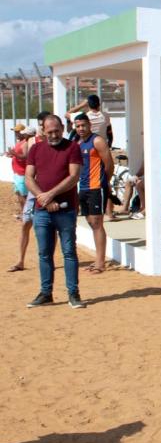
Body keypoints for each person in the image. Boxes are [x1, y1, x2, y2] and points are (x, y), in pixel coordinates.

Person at [24, 114, 85, 309]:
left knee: (69, 252)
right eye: (50, 131)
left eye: (57, 130)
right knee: (44, 253)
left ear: (62, 129)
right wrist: (43, 197)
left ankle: (73, 294)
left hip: (65, 210)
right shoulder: (35, 149)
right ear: (43, 131)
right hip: (42, 211)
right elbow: (29, 177)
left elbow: (74, 176)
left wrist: (50, 194)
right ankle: (45, 292)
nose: (54, 134)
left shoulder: (72, 147)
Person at [73, 113, 113, 273]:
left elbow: (109, 165)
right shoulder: (78, 142)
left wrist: (104, 183)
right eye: (77, 126)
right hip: (83, 188)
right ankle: (98, 259)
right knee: (91, 222)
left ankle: (100, 263)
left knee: (97, 223)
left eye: (83, 125)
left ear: (89, 125)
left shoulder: (97, 141)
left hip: (96, 188)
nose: (80, 128)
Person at [7, 124, 33, 273]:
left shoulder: (29, 144)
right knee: (25, 223)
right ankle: (20, 261)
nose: (17, 133)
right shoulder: (26, 144)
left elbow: (26, 157)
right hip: (22, 177)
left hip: (26, 178)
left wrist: (15, 154)